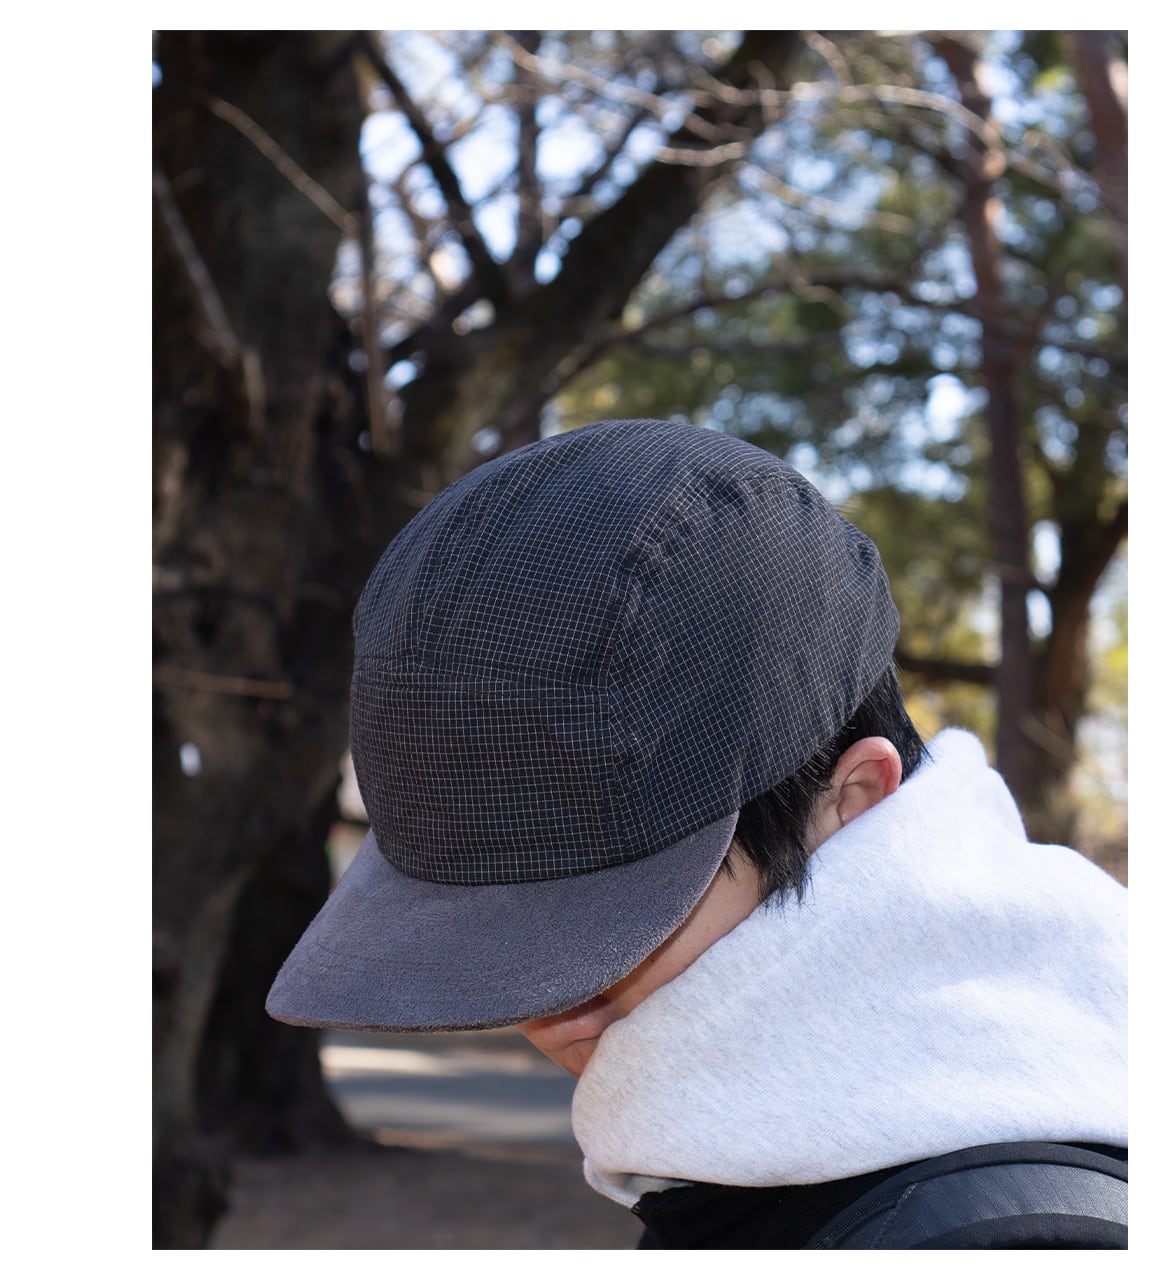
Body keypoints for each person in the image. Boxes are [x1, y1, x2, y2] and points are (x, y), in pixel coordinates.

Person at [267, 417, 1127, 1249]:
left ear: (854, 798)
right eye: (482, 934)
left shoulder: (1009, 1243)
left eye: (602, 917)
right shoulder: (752, 1164)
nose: (543, 1008)